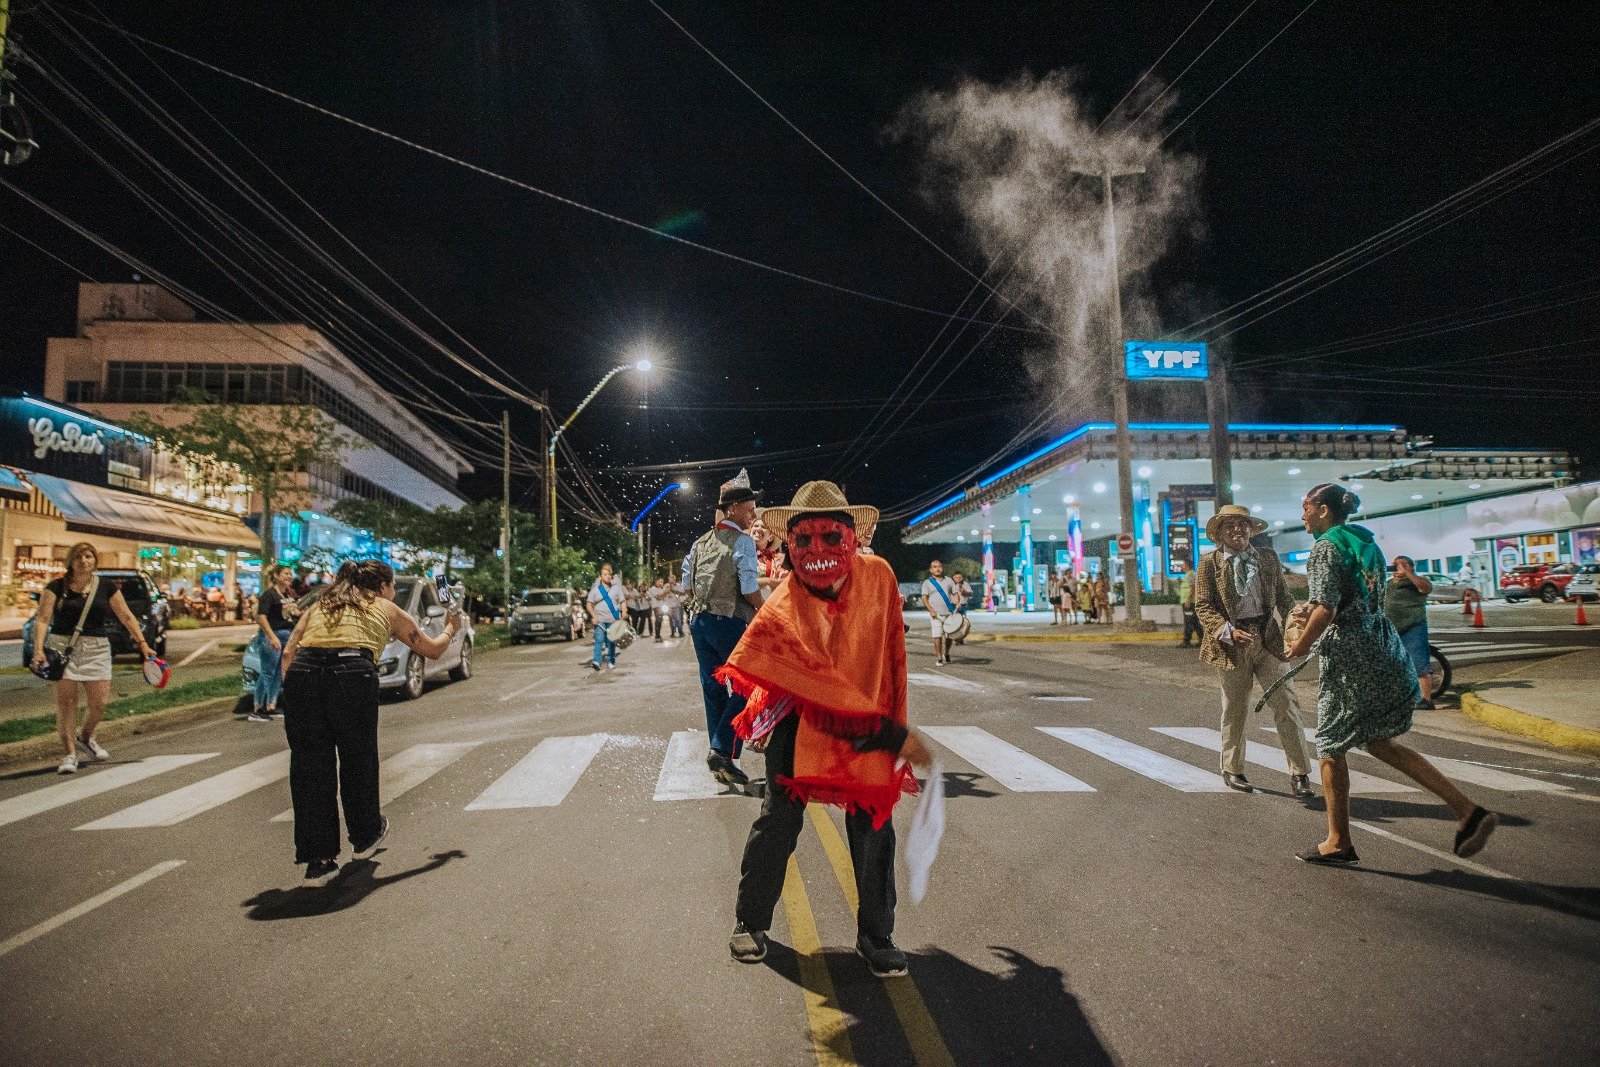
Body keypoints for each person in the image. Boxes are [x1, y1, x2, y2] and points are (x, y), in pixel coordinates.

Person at [718, 481, 932, 976]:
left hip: (867, 719)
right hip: (799, 718)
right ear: (790, 545)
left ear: (851, 537)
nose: (818, 551)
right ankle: (750, 921)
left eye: (831, 538)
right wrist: (897, 736)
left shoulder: (879, 577)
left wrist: (895, 723)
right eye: (804, 539)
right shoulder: (783, 604)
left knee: (872, 819)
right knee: (780, 818)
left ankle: (877, 935)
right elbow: (787, 671)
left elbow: (893, 656)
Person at [1284, 484, 1498, 864]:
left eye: (1305, 507)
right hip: (1379, 647)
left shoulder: (1325, 547)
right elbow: (1356, 599)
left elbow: (1327, 610)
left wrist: (1299, 645)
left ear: (1322, 510)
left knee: (1330, 747)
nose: (1302, 515)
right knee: (1378, 741)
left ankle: (1338, 841)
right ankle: (1467, 810)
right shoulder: (1365, 543)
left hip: (1351, 661)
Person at [280, 559, 461, 882]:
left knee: (309, 768)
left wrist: (293, 694)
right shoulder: (385, 608)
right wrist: (451, 627)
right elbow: (433, 650)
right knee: (357, 760)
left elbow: (289, 651)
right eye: (391, 587)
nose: (391, 593)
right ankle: (365, 835)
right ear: (382, 586)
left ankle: (319, 859)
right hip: (351, 675)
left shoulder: (323, 604)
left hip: (303, 677)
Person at [1193, 505, 1315, 797]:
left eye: (1243, 525)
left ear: (1251, 530)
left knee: (1286, 704)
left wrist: (1294, 627)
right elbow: (1203, 605)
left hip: (1267, 638)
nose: (1238, 530)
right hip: (1231, 645)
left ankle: (1300, 773)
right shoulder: (1210, 562)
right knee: (1235, 708)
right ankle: (1232, 768)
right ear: (1220, 533)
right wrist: (1228, 632)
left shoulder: (1268, 558)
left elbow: (1284, 599)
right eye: (1230, 525)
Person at [31, 542, 156, 774]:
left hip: (97, 648)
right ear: (71, 561)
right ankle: (69, 753)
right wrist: (39, 649)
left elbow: (126, 616)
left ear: (95, 561)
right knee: (66, 704)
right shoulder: (56, 587)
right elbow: (42, 620)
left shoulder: (106, 587)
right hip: (62, 648)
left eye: (88, 556)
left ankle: (85, 737)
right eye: (78, 556)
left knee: (99, 704)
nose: (84, 561)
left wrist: (143, 644)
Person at [682, 469, 765, 786]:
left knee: (713, 690)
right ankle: (721, 750)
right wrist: (766, 609)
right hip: (727, 621)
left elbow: (686, 585)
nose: (753, 514)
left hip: (699, 622)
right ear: (734, 509)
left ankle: (722, 760)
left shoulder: (700, 541)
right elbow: (748, 587)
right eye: (750, 508)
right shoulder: (743, 542)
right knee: (749, 684)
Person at [1386, 555, 1436, 709]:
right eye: (1395, 564)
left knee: (1418, 662)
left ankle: (1427, 700)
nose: (1397, 566)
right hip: (1391, 629)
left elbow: (1425, 588)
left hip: (1413, 626)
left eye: (1403, 564)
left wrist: (1408, 574)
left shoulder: (1418, 582)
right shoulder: (1388, 584)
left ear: (1411, 567)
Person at [249, 564, 299, 722]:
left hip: (287, 637)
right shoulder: (269, 595)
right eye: (285, 574)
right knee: (268, 672)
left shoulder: (289, 593)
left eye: (290, 574)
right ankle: (257, 709)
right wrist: (272, 637)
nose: (289, 577)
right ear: (276, 576)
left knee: (278, 673)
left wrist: (298, 613)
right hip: (273, 637)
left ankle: (271, 705)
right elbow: (261, 617)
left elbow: (291, 612)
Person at [586, 562, 627, 671]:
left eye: (609, 575)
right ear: (600, 576)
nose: (608, 576)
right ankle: (596, 661)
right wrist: (594, 616)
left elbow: (622, 601)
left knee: (611, 641)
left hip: (613, 618)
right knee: (599, 640)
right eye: (605, 574)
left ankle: (611, 661)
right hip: (600, 619)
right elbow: (589, 605)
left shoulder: (617, 588)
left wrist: (624, 611)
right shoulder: (595, 589)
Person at [922, 559, 958, 666]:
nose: (937, 569)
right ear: (931, 570)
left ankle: (946, 653)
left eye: (939, 566)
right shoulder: (927, 583)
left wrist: (957, 603)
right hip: (936, 614)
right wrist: (931, 610)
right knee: (937, 636)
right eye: (935, 567)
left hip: (949, 613)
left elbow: (955, 593)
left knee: (949, 636)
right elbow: (924, 598)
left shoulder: (949, 580)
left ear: (942, 568)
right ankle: (939, 657)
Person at [1176, 558, 1202, 647]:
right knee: (1194, 622)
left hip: (1189, 603)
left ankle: (1186, 641)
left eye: (1183, 565)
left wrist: (1188, 600)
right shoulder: (1189, 574)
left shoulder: (1190, 574)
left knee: (1188, 622)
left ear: (1187, 565)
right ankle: (1202, 640)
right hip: (1190, 602)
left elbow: (1193, 587)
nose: (1182, 566)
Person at [950, 569, 973, 645]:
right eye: (956, 577)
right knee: (955, 623)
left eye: (959, 577)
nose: (958, 579)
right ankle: (956, 638)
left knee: (963, 623)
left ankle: (960, 638)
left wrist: (964, 592)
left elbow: (970, 593)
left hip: (963, 606)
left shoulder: (965, 584)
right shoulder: (951, 585)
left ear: (962, 577)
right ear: (953, 578)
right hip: (953, 606)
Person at [647, 576, 669, 642]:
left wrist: (665, 593)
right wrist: (664, 593)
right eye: (660, 581)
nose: (661, 583)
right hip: (656, 606)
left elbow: (663, 598)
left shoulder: (661, 589)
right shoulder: (653, 589)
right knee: (658, 621)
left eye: (662, 581)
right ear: (656, 582)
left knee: (659, 621)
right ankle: (657, 636)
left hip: (661, 606)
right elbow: (658, 597)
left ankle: (658, 635)